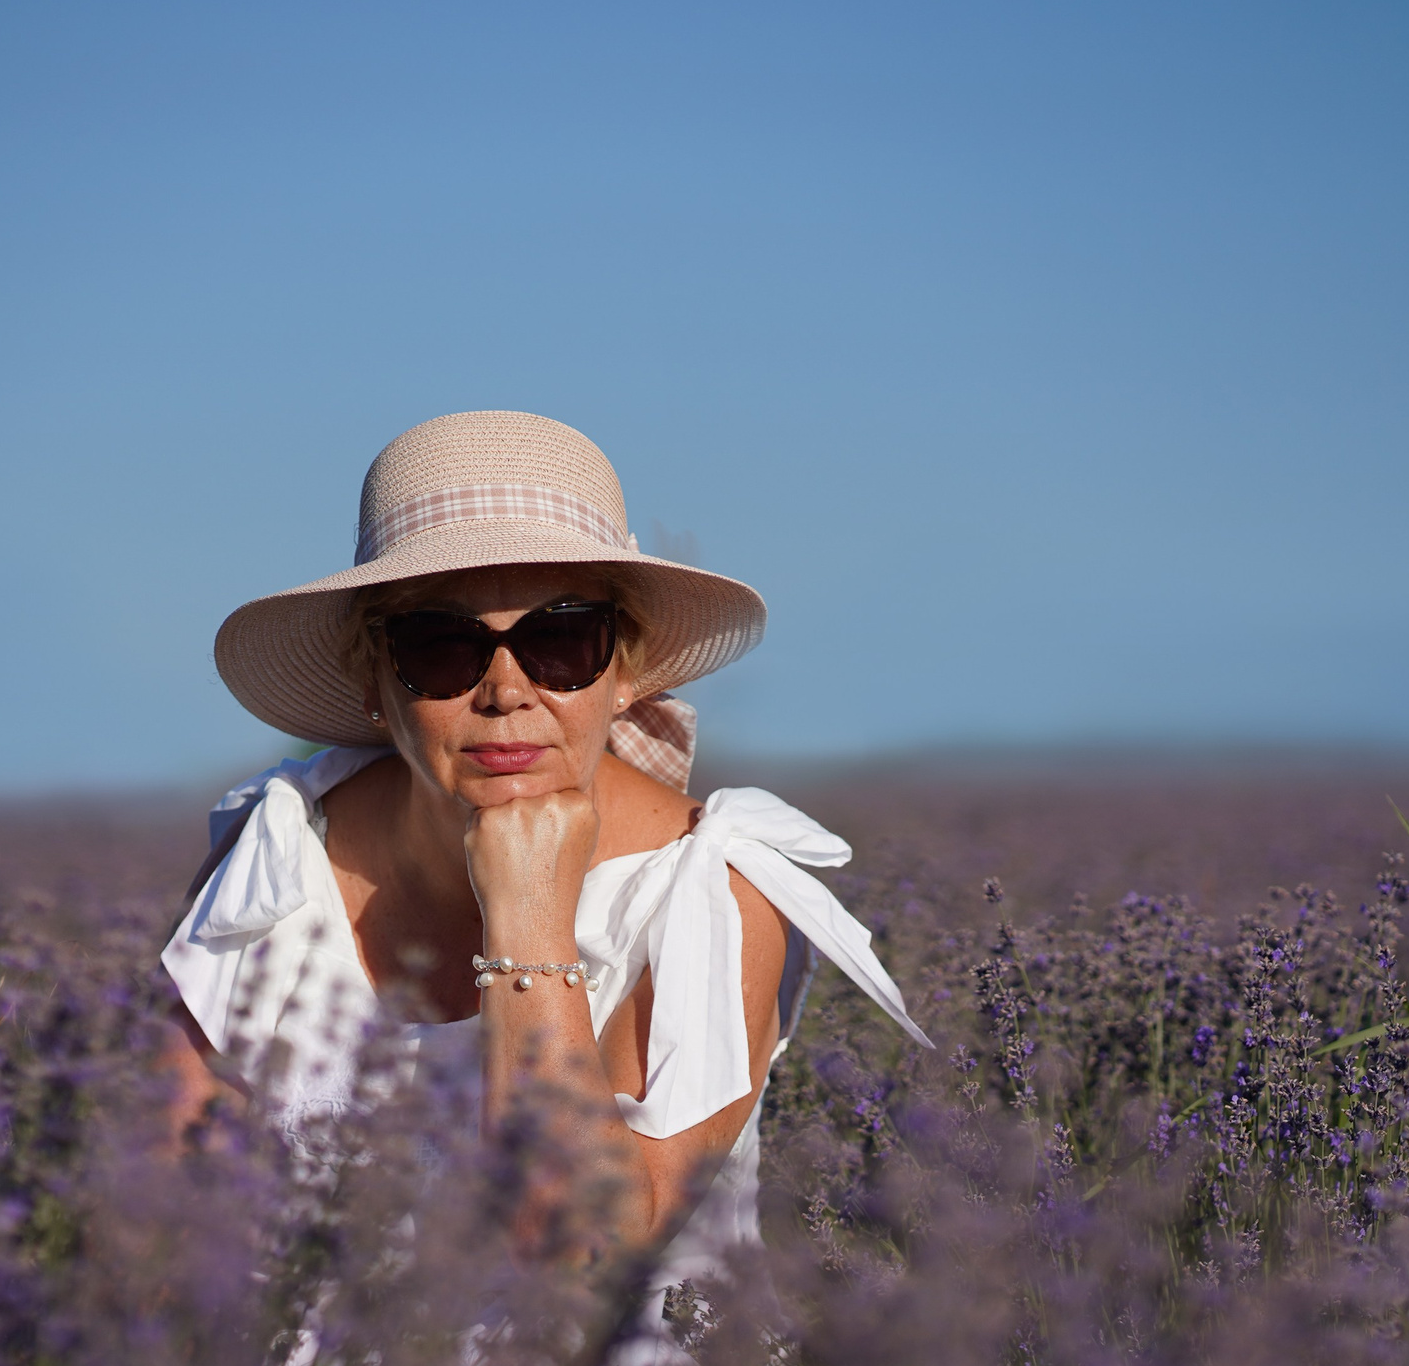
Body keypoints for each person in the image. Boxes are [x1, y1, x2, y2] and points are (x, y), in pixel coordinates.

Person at [159, 410, 928, 1298]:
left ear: (627, 667)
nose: (506, 691)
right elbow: (163, 1226)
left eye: (562, 640)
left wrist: (527, 913)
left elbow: (576, 1253)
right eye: (440, 646)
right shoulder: (275, 863)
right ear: (373, 677)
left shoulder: (711, 889)